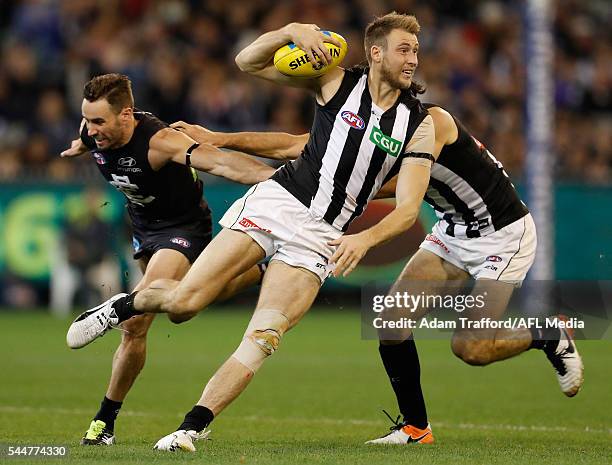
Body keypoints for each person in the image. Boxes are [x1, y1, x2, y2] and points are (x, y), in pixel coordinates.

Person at [67, 13, 437, 451]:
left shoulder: (420, 122)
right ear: (376, 52)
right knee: (185, 303)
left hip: (323, 235)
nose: (412, 59)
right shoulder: (336, 82)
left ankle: (191, 427)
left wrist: (364, 236)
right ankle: (121, 307)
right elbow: (248, 62)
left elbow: (410, 201)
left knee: (265, 337)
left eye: (415, 50)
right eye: (403, 49)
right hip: (277, 203)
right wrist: (290, 32)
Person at [172, 104, 584, 445]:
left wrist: (352, 215)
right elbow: (302, 145)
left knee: (471, 348)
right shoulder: (374, 121)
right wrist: (217, 138)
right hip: (453, 231)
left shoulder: (430, 123)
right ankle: (415, 428)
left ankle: (548, 334)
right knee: (391, 323)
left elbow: (399, 193)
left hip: (502, 234)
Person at [62, 73, 276, 446]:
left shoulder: (160, 141)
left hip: (183, 228)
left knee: (138, 318)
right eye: (88, 121)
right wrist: (80, 147)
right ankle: (260, 271)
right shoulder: (92, 130)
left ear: (126, 114)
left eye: (99, 122)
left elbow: (222, 164)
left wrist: (277, 180)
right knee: (177, 310)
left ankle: (103, 422)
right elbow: (87, 138)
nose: (92, 130)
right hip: (144, 229)